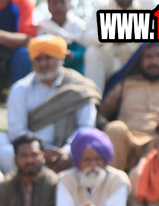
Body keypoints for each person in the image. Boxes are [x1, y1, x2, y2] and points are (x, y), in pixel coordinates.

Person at [6, 35, 100, 174]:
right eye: (38, 59)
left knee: (90, 148)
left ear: (61, 59)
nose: (43, 64)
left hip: (71, 153)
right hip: (33, 154)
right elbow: (16, 130)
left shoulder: (81, 87)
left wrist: (66, 152)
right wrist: (42, 151)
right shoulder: (20, 89)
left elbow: (85, 127)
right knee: (7, 153)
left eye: (48, 58)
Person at [99, 43, 159, 172]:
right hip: (126, 141)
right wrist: (104, 125)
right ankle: (110, 181)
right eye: (148, 56)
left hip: (156, 142)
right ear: (140, 60)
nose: (154, 61)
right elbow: (101, 113)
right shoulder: (126, 84)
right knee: (114, 128)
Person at [80, 0, 146, 92]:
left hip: (139, 63)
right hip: (114, 64)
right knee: (92, 51)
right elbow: (87, 37)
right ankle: (92, 97)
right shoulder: (103, 6)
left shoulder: (146, 4)